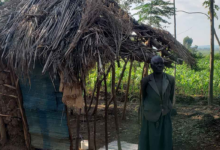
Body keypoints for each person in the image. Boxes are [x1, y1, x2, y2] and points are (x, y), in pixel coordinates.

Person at [139, 56, 175, 150]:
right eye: (156, 63)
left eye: (161, 63)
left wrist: (167, 107)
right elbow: (144, 97)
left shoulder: (170, 79)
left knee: (165, 138)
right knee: (151, 139)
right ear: (151, 66)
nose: (159, 65)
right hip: (150, 114)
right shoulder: (146, 80)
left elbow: (170, 95)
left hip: (165, 114)